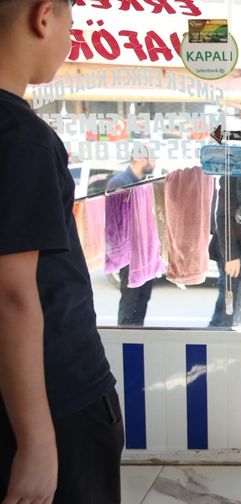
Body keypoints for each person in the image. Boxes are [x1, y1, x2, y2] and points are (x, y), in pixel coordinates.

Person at [0, 0, 124, 502]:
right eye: (71, 25)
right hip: (55, 398)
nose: (69, 39)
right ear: (43, 15)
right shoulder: (19, 137)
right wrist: (37, 442)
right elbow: (12, 293)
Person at [107, 148, 156, 326]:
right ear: (141, 159)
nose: (155, 163)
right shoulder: (120, 183)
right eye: (153, 158)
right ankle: (126, 344)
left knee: (142, 300)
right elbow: (114, 223)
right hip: (130, 255)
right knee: (130, 302)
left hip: (145, 253)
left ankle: (138, 341)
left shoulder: (142, 183)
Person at [208, 175, 241, 327]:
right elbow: (223, 216)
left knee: (237, 302)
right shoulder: (233, 173)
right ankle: (218, 337)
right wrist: (231, 255)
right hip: (233, 250)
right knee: (228, 306)